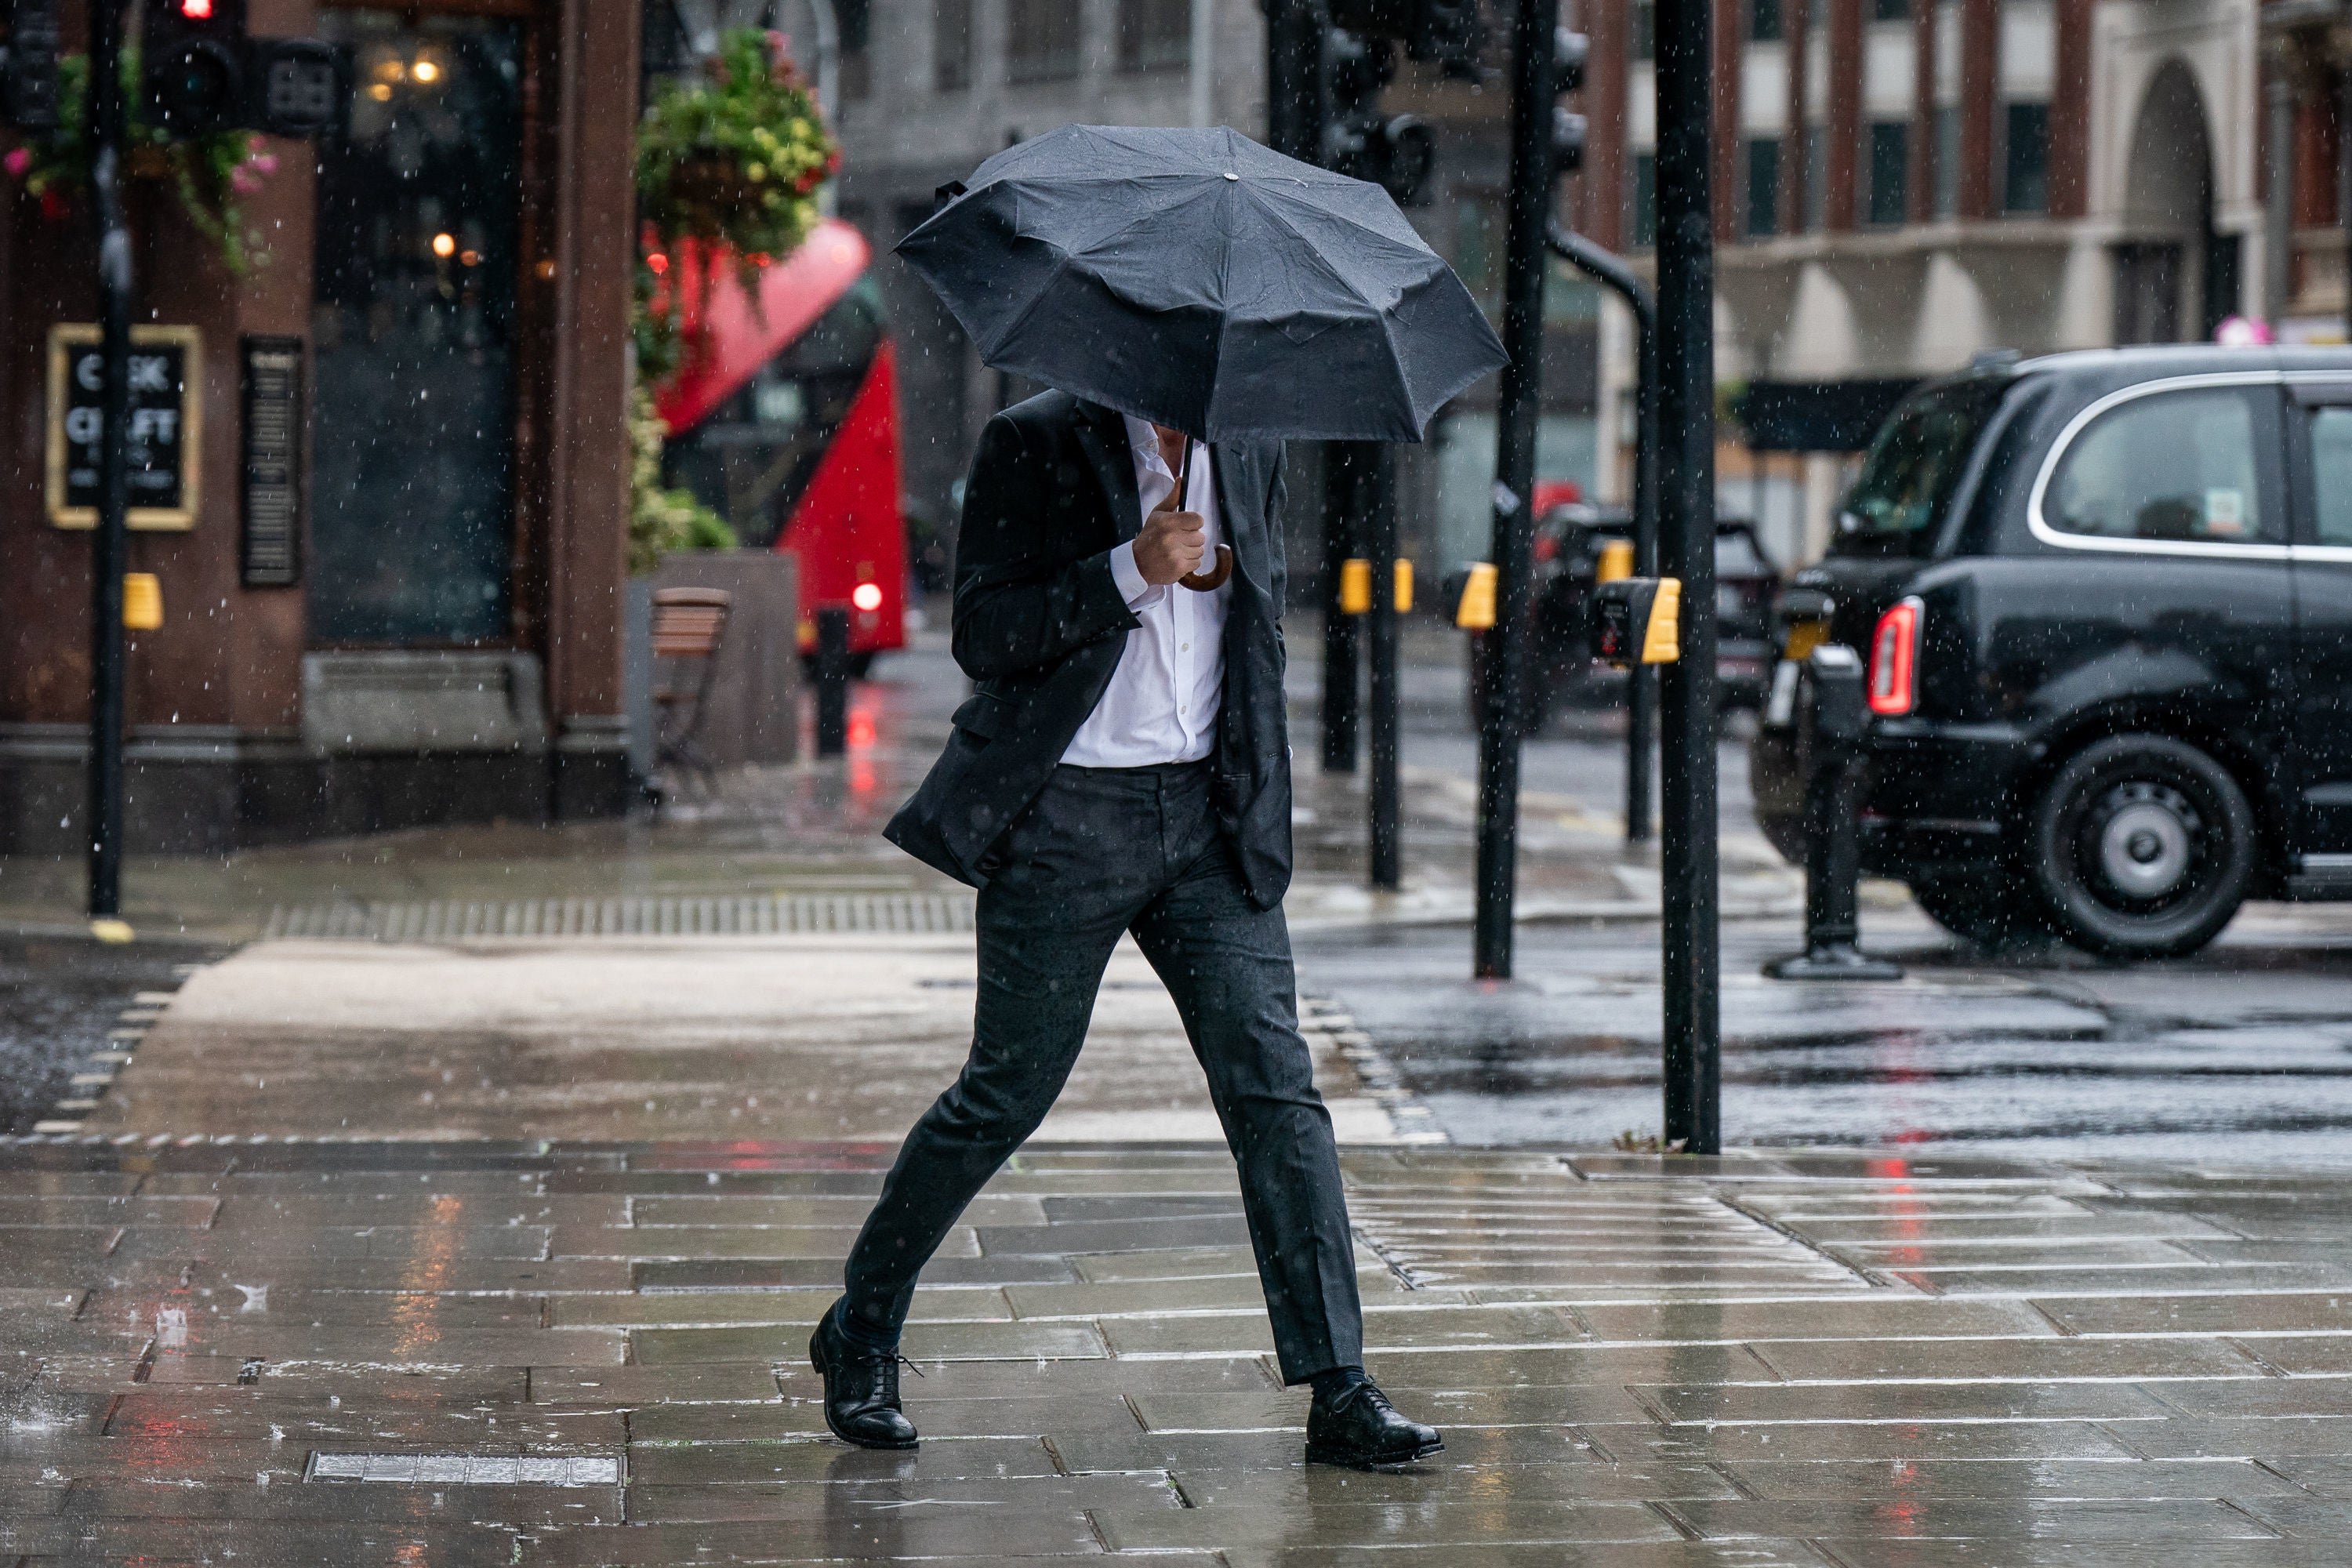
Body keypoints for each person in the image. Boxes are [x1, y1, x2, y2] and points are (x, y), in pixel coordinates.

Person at [808, 390, 1443, 1470]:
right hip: (1066, 816)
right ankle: (862, 1327)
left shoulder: (1250, 435)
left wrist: (1227, 583)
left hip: (1206, 816)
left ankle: (1339, 1383)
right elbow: (984, 632)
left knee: (1277, 1090)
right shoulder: (1034, 439)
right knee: (1007, 1091)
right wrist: (1127, 569)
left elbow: (1258, 633)